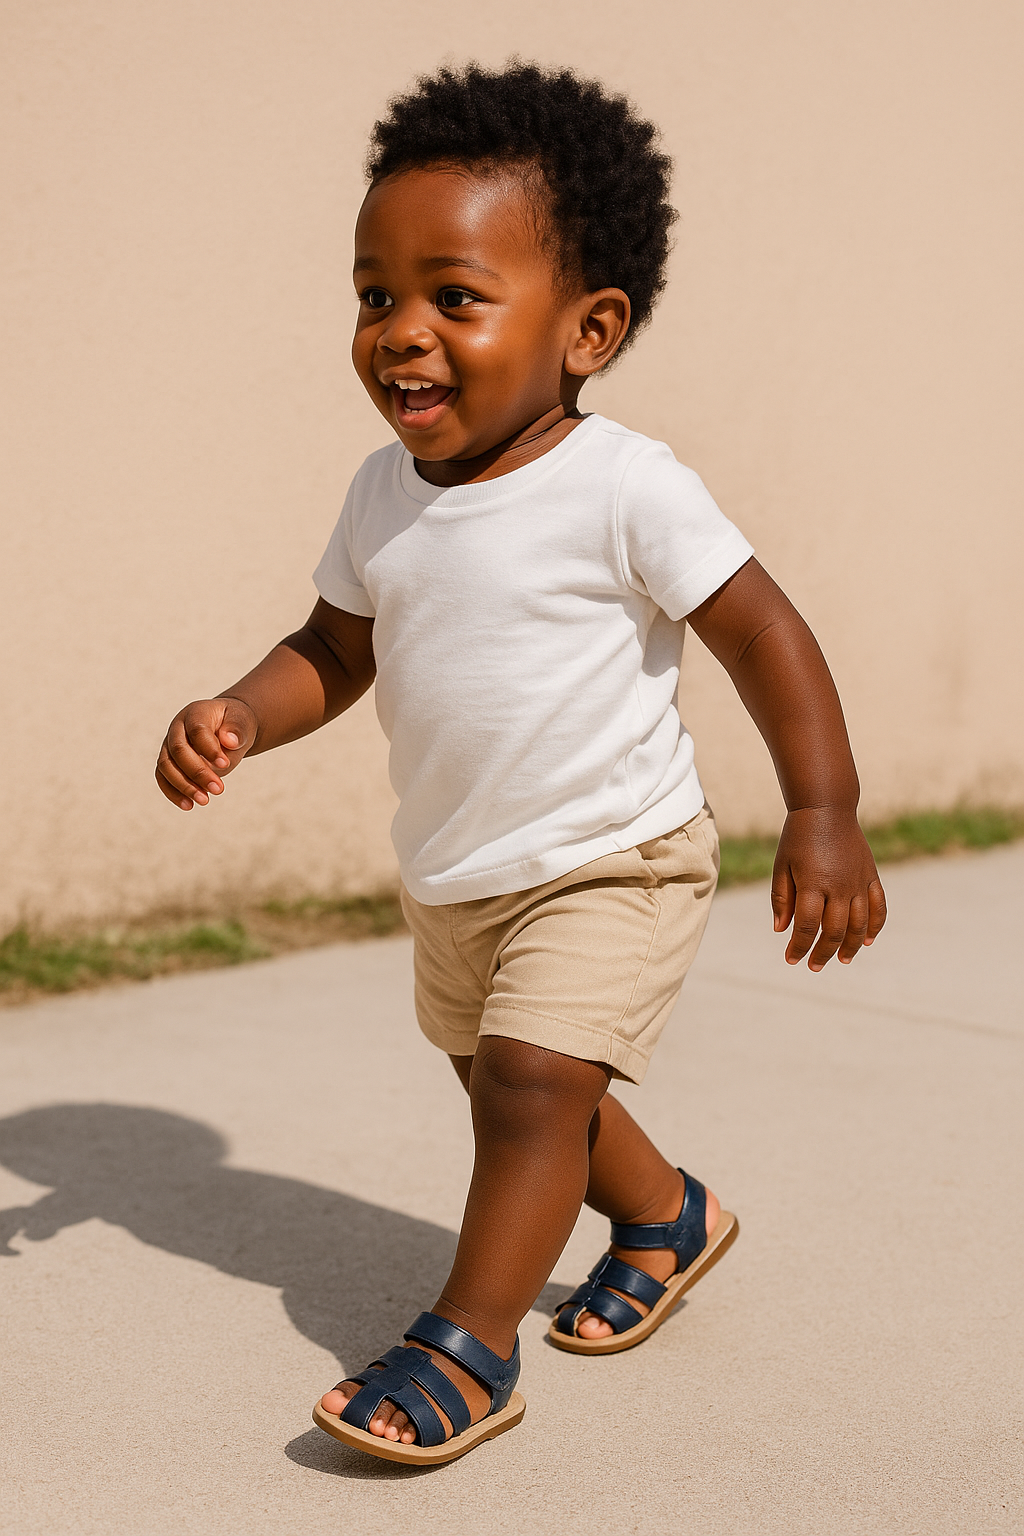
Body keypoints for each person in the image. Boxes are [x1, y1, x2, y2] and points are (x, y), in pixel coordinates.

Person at [155, 61, 886, 1466]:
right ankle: (670, 1218)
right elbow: (335, 644)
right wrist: (241, 709)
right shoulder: (383, 493)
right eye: (376, 296)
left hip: (617, 851)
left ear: (587, 329)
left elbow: (763, 631)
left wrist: (825, 810)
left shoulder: (625, 486)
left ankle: (468, 1349)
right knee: (521, 1079)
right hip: (459, 867)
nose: (400, 334)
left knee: (533, 1085)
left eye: (455, 298)